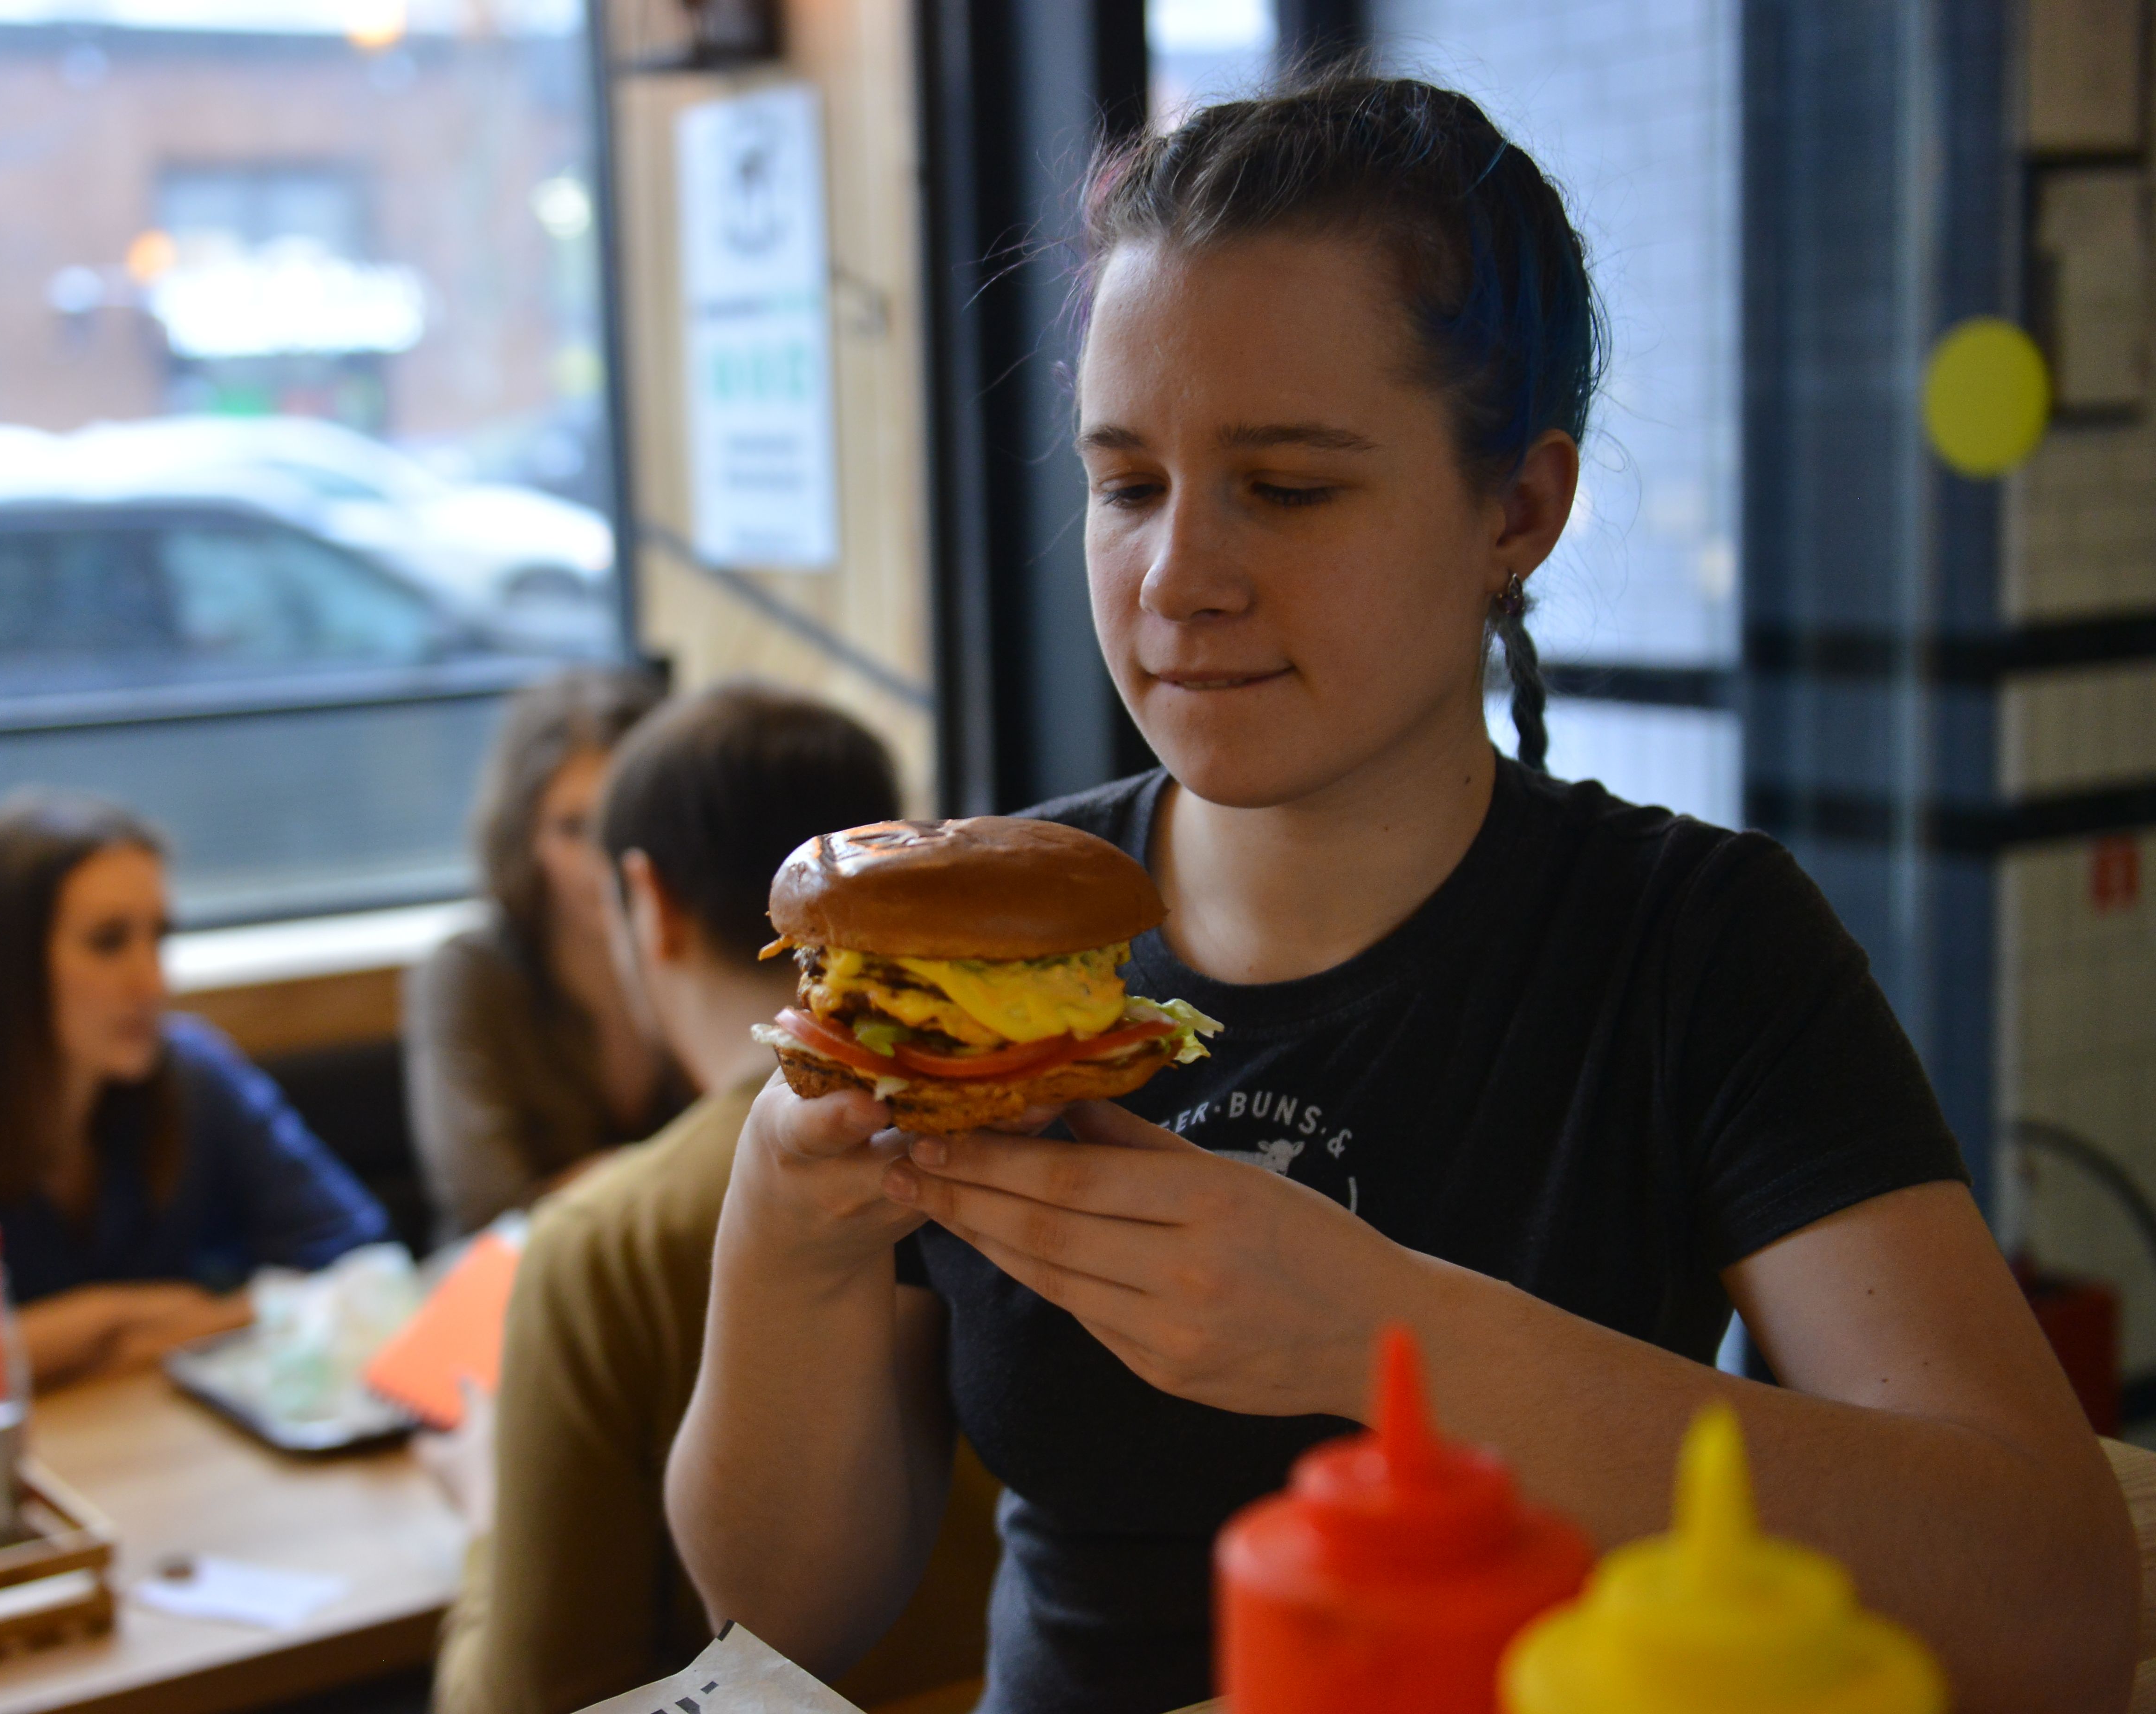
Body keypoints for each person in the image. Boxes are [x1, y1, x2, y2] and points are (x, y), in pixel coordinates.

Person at [666, 74, 2136, 1714]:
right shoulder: (989, 950)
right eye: (1127, 482)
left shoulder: (1694, 942)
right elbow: (782, 1618)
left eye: (1287, 487)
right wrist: (780, 1244)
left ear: (1518, 508)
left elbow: (2057, 1603)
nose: (1176, 578)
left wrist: (1388, 1338)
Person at [435, 685, 999, 1714]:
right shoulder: (1023, 1132)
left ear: (645, 901)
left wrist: (486, 1511)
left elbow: (522, 1699)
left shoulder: (600, 1245)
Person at [0, 791, 389, 1394]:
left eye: (158, 939)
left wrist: (180, 1331)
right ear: (4, 965)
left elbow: (360, 1259)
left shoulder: (192, 1072)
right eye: (109, 942)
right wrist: (113, 1316)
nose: (152, 982)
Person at [403, 666, 692, 1243]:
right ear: (524, 837)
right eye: (573, 827)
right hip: (513, 1298)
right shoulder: (468, 974)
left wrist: (583, 1183)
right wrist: (686, 1176)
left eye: (624, 821)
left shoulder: (710, 953)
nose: (603, 861)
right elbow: (491, 1209)